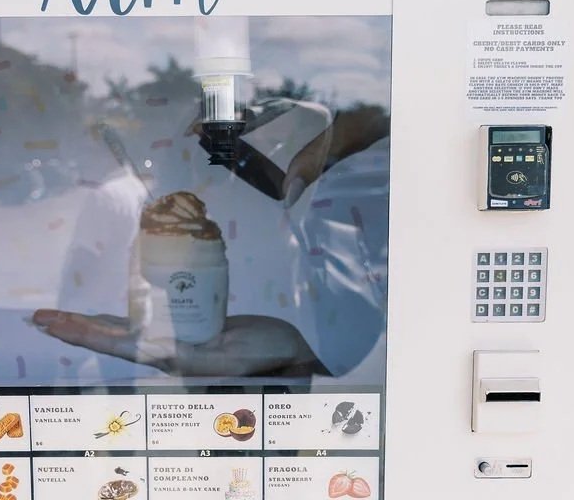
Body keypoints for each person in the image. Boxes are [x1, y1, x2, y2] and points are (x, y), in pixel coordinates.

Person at [34, 101, 390, 380]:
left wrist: (303, 348)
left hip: (275, 361)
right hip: (211, 351)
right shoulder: (170, 213)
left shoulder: (287, 211)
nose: (219, 164)